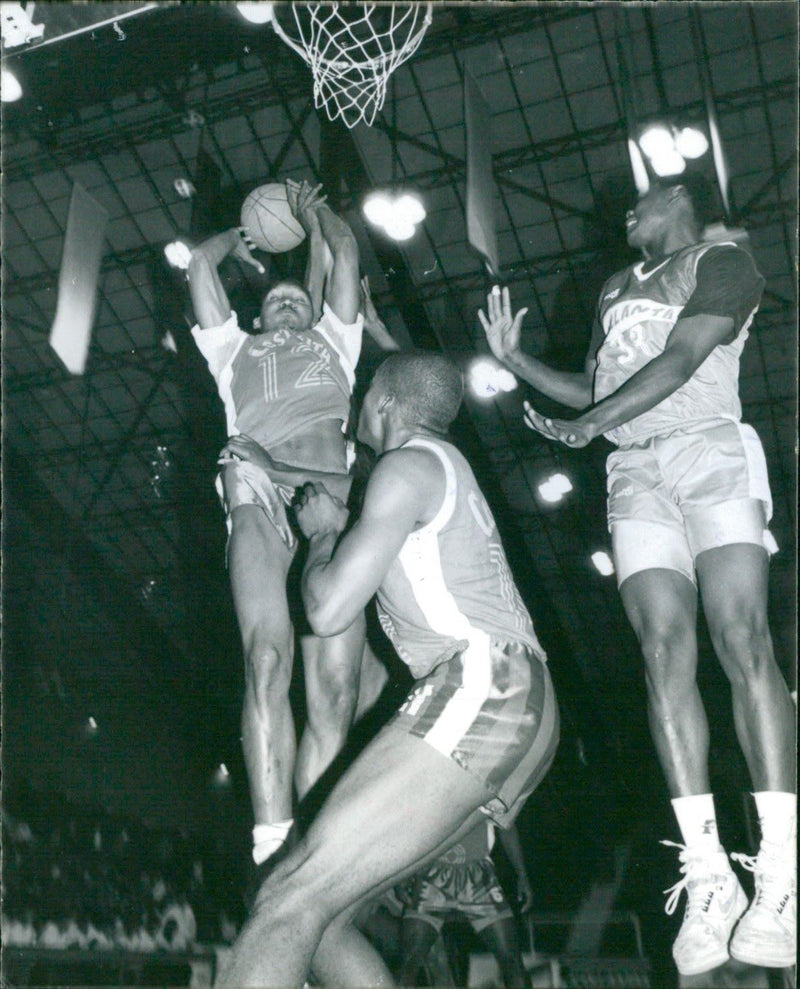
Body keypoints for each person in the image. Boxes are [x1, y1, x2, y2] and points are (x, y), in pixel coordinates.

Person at [478, 180, 796, 977]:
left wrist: (590, 422)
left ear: (683, 200)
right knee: (661, 649)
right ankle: (710, 876)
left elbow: (686, 358)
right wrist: (518, 363)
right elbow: (597, 388)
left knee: (740, 636)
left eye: (643, 199)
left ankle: (782, 870)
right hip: (635, 472)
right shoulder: (614, 290)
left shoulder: (722, 261)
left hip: (708, 446)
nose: (625, 211)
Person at [216, 353, 559, 987]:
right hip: (519, 708)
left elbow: (325, 610)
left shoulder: (403, 471)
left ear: (384, 405)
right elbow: (345, 490)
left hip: (483, 688)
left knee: (285, 897)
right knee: (324, 922)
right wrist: (277, 470)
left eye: (368, 389)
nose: (358, 402)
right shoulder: (430, 467)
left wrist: (320, 537)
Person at [186, 179, 395, 868]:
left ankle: (324, 842)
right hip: (259, 494)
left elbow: (341, 248)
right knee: (265, 660)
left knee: (333, 694)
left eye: (296, 299)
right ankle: (272, 844)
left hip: (325, 502)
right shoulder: (232, 353)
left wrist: (313, 212)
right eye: (275, 297)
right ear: (259, 312)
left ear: (311, 315)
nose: (285, 300)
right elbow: (198, 268)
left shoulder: (335, 342)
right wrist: (234, 239)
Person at [397, 819, 533, 988]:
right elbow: (409, 825)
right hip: (432, 874)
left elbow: (507, 825)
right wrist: (401, 875)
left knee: (511, 960)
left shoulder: (492, 792)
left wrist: (522, 875)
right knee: (409, 963)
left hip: (479, 876)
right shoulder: (423, 792)